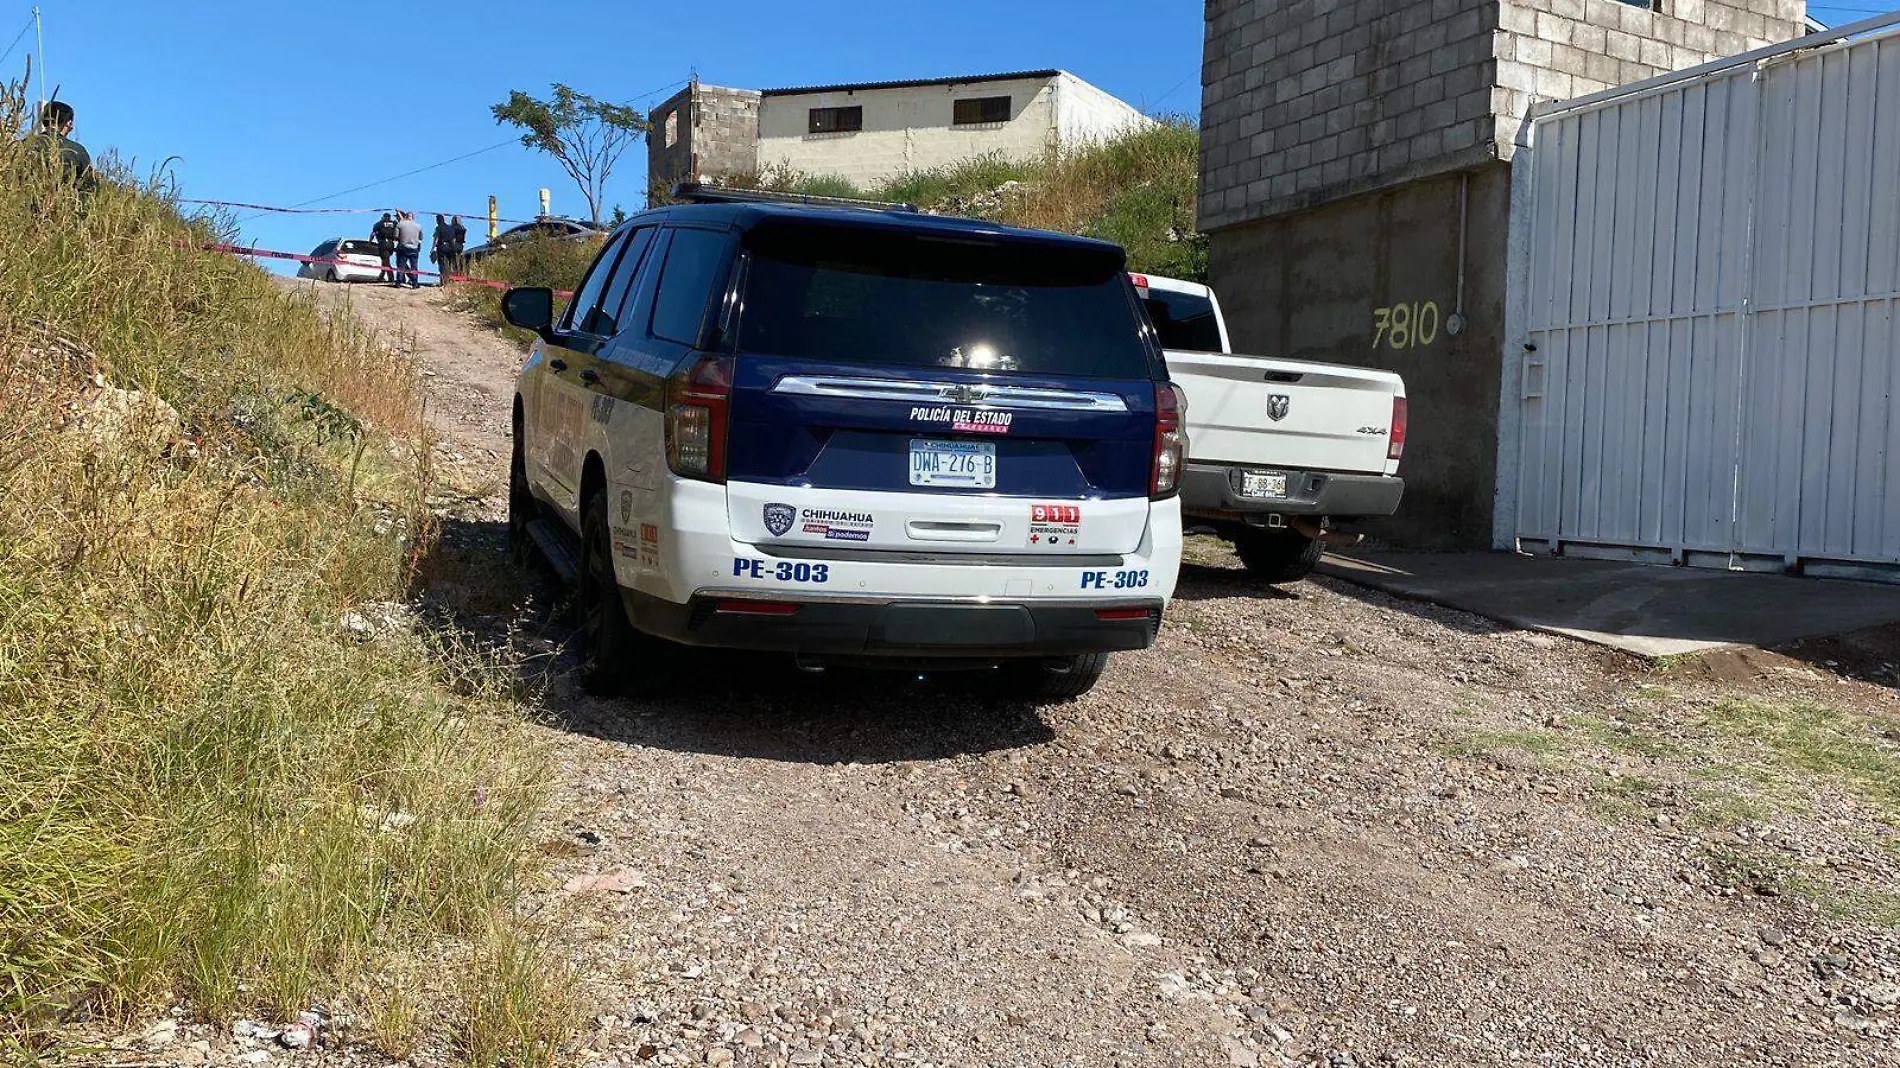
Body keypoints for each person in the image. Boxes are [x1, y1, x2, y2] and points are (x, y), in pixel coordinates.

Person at [28, 100, 97, 194]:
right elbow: (90, 188)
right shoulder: (77, 150)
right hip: (62, 205)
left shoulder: (25, 144)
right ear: (69, 123)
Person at [433, 214, 468, 286]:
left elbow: (452, 239)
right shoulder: (463, 229)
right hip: (459, 247)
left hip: (450, 246)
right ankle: (457, 278)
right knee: (455, 263)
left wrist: (433, 248)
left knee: (444, 264)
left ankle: (445, 280)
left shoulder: (452, 228)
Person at [395, 211, 425, 289]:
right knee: (414, 267)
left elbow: (395, 236)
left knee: (401, 265)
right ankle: (415, 284)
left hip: (403, 247)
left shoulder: (400, 225)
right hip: (414, 248)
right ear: (413, 217)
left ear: (405, 217)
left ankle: (398, 282)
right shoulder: (418, 226)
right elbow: (421, 238)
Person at [371, 212, 399, 283]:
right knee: (385, 260)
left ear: (383, 217)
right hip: (391, 244)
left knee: (386, 262)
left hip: (383, 244)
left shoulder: (379, 224)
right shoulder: (394, 223)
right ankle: (381, 276)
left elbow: (373, 233)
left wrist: (369, 241)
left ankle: (391, 278)